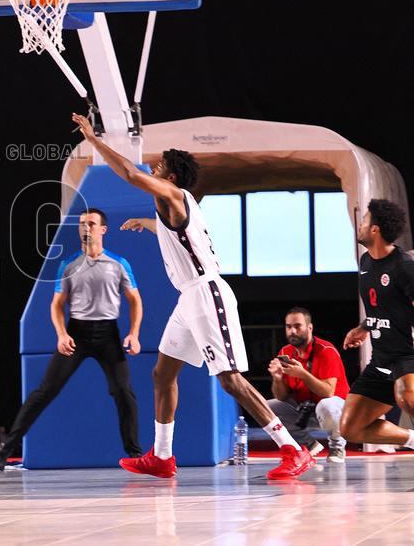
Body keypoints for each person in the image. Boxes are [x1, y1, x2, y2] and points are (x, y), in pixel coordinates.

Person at [72, 112, 315, 480]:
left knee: (229, 379)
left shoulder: (175, 194)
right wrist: (149, 225)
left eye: (160, 166)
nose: (153, 167)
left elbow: (131, 175)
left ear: (170, 178)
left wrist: (94, 139)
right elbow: (176, 233)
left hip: (207, 293)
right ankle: (163, 456)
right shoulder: (172, 206)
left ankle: (293, 450)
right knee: (162, 373)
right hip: (188, 299)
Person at [0, 209, 143, 468]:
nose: (86, 228)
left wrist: (134, 334)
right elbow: (56, 305)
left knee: (123, 392)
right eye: (82, 224)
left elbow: (135, 301)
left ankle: (135, 455)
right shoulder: (69, 265)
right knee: (45, 391)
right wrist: (61, 334)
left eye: (91, 224)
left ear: (103, 230)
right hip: (77, 333)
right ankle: (6, 449)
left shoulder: (119, 263)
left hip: (108, 333)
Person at [339, 200, 414, 450]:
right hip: (382, 359)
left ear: (375, 230)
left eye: (364, 221)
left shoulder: (404, 267)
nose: (359, 226)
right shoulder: (366, 263)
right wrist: (364, 327)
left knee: (407, 396)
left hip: (408, 355)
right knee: (351, 428)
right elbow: (384, 307)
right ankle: (412, 440)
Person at [267, 306, 350, 462]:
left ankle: (337, 447)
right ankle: (308, 445)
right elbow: (282, 396)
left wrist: (303, 374)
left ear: (309, 327)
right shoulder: (285, 351)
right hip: (304, 408)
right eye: (288, 327)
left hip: (335, 409)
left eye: (297, 326)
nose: (292, 331)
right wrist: (277, 378)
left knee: (327, 405)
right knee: (266, 407)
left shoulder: (326, 350)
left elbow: (328, 392)